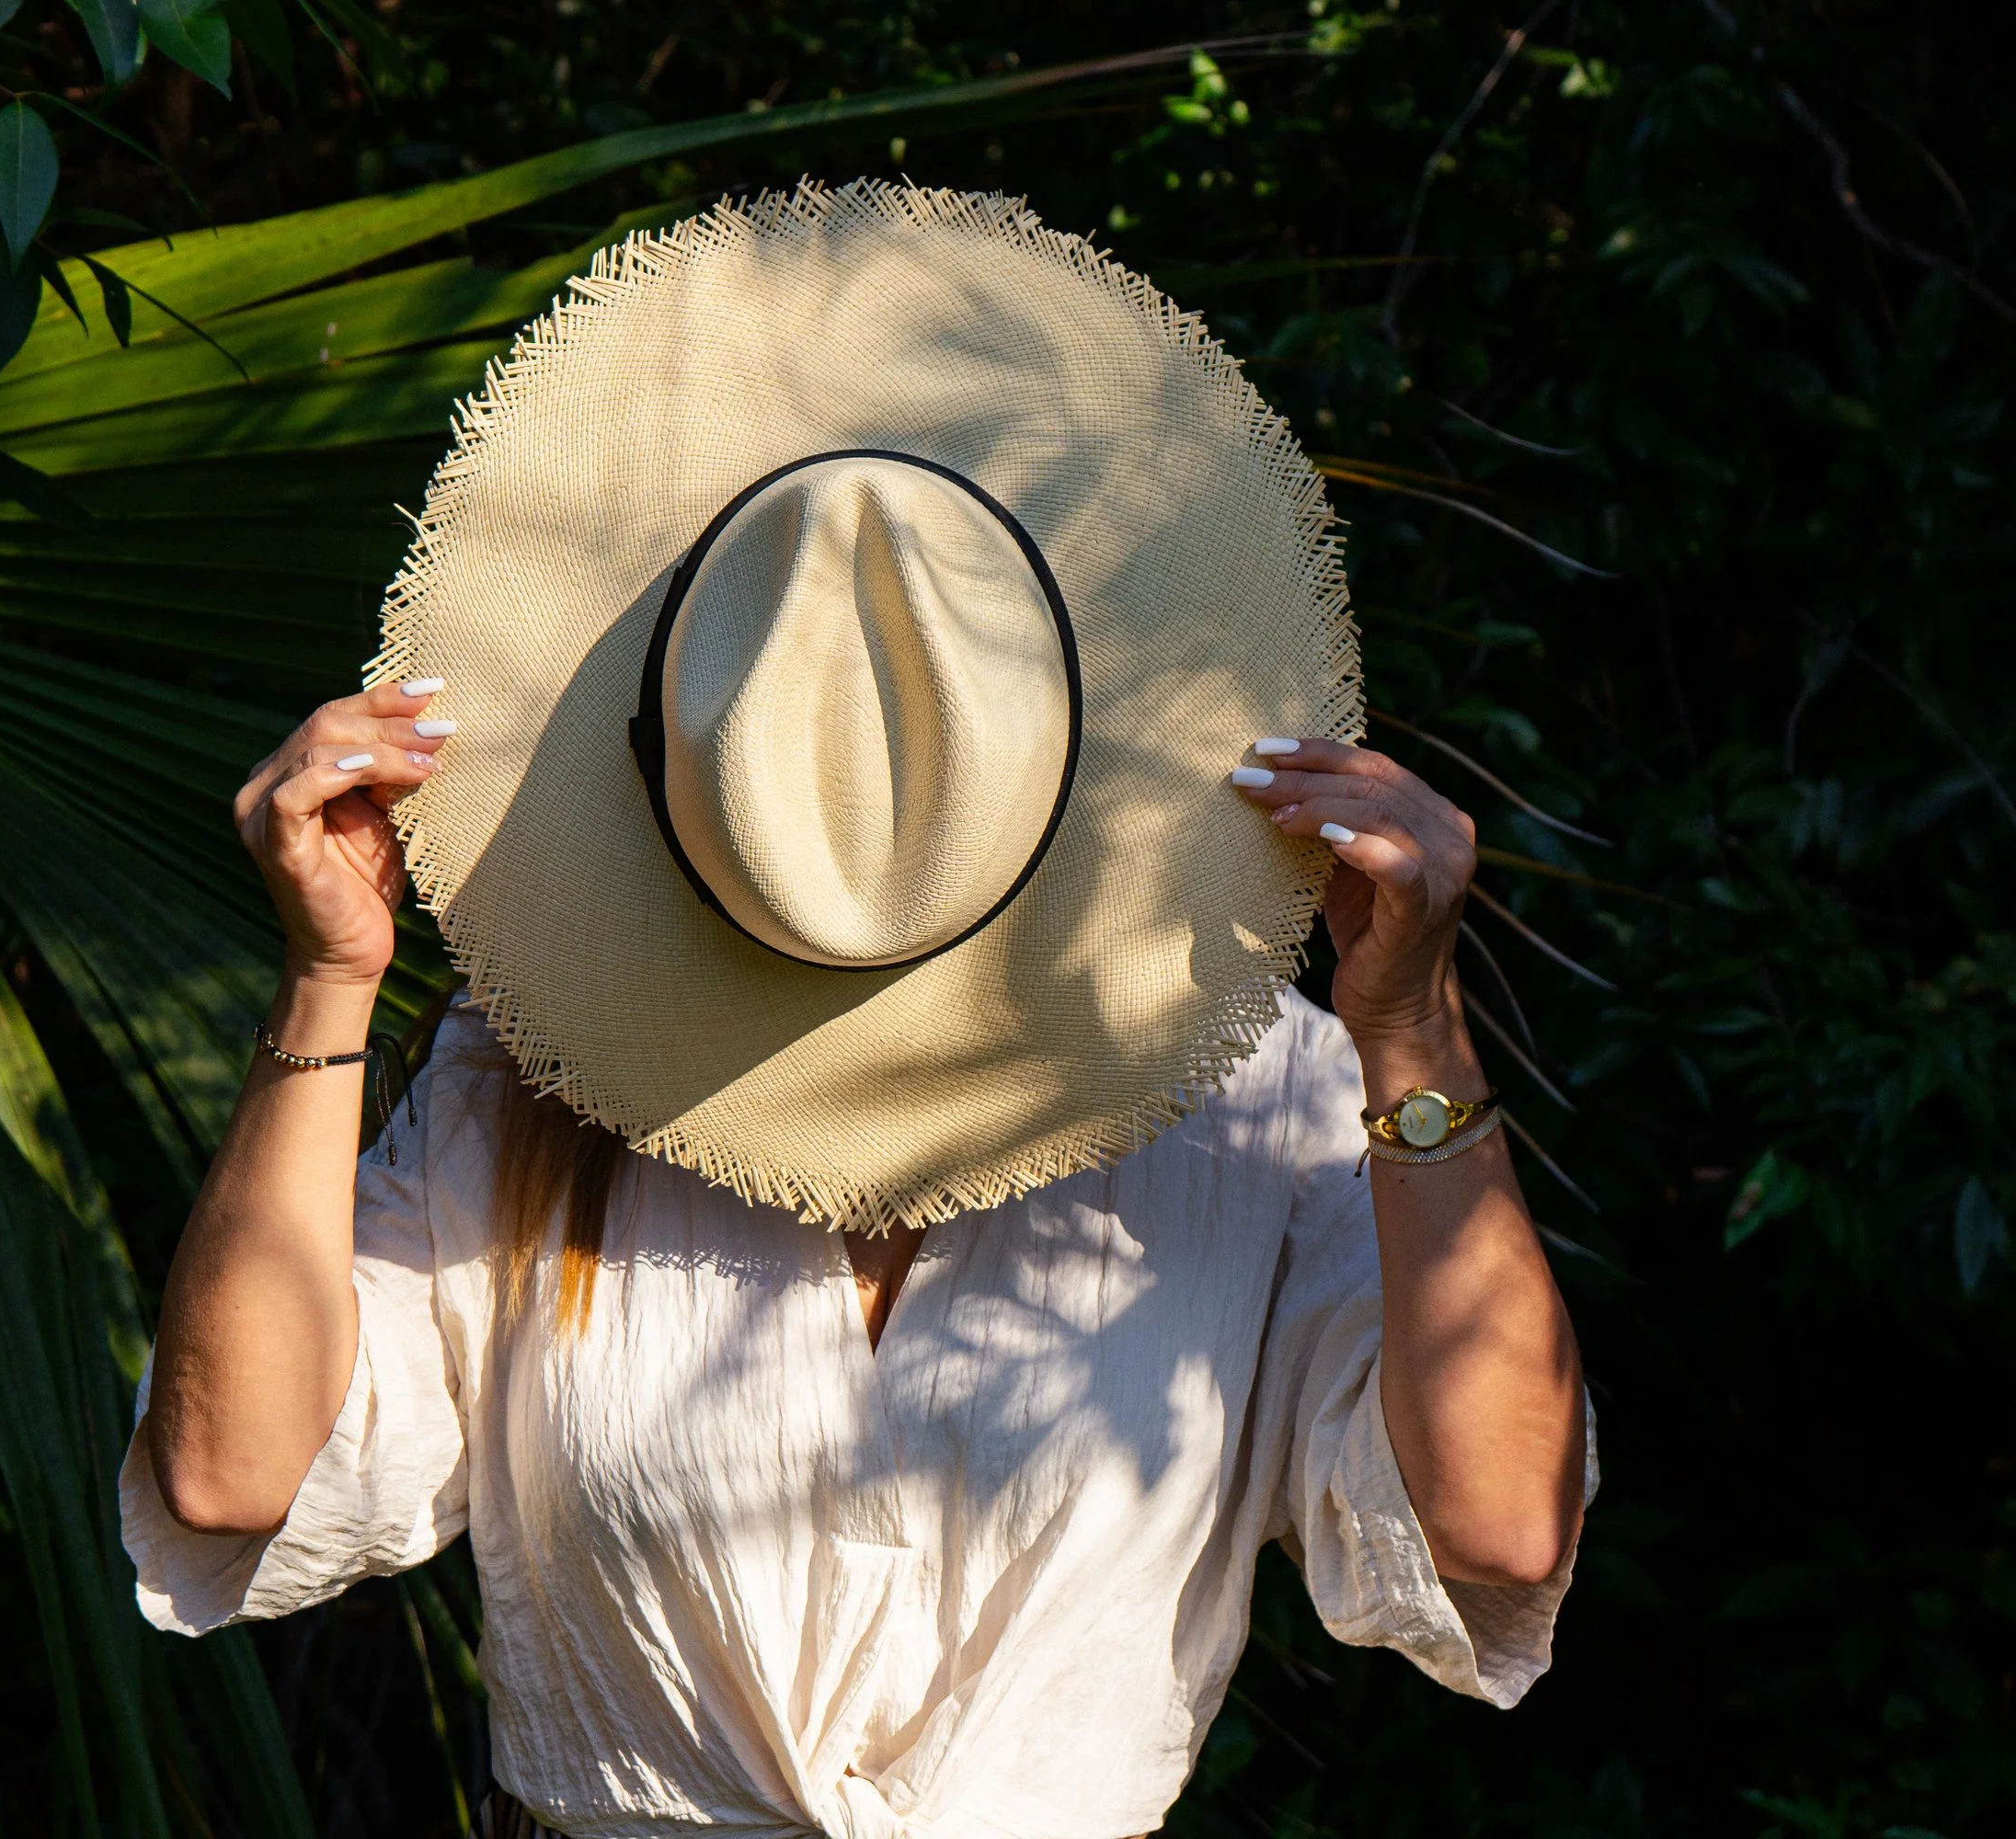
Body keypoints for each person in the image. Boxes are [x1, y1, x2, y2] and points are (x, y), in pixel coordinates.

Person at [120, 181, 1592, 1839]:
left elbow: (1498, 1529)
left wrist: (1415, 1032)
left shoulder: (1254, 1097)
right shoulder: (529, 1083)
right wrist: (331, 980)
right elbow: (229, 1474)